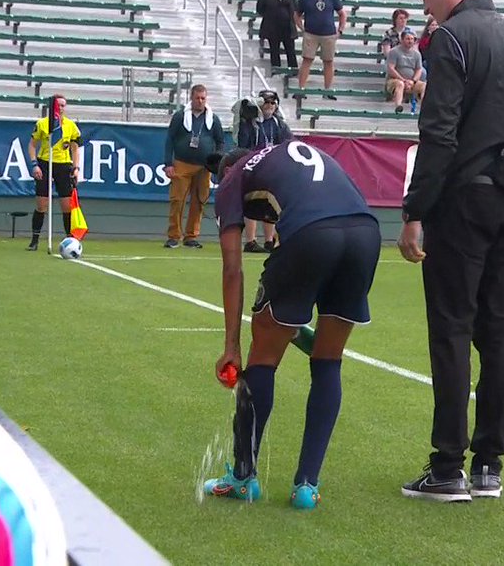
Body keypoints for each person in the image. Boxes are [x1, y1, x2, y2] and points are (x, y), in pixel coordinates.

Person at [397, 0, 504, 502]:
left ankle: (447, 467)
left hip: (464, 203)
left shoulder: (452, 38)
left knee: (453, 330)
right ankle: (489, 466)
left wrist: (415, 212)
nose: (425, 7)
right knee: (498, 329)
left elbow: (438, 134)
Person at [202, 141, 381, 511]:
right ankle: (306, 487)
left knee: (262, 359)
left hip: (313, 233)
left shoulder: (233, 178)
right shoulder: (284, 157)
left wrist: (232, 346)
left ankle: (242, 476)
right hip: (366, 233)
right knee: (328, 362)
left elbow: (233, 270)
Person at [163, 85, 225, 249]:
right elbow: (169, 139)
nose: (200, 101)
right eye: (197, 98)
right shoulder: (180, 116)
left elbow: (220, 141)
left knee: (199, 200)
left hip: (203, 167)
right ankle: (174, 235)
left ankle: (191, 236)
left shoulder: (213, 119)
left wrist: (217, 157)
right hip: (182, 163)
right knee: (177, 200)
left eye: (203, 98)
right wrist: (168, 163)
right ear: (191, 98)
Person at [235, 90, 292, 253]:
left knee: (271, 204)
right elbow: (243, 144)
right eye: (266, 102)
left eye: (273, 103)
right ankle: (251, 241)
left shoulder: (279, 124)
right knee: (252, 203)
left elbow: (288, 144)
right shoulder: (251, 123)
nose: (269, 106)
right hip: (255, 166)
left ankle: (269, 241)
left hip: (273, 168)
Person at [26, 94, 81, 252]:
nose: (61, 108)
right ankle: (35, 240)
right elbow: (32, 145)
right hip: (45, 162)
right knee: (42, 204)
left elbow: (75, 148)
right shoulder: (43, 124)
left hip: (63, 165)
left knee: (66, 205)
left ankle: (70, 239)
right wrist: (34, 165)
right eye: (59, 105)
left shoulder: (70, 126)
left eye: (64, 105)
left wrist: (76, 168)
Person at [295, 0, 347, 96]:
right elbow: (297, 14)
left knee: (328, 62)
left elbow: (342, 14)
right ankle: (301, 89)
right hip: (311, 33)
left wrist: (340, 30)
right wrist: (302, 27)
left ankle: (327, 90)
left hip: (328, 34)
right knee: (307, 60)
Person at [256, 0, 298, 69]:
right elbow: (260, 8)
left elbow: (295, 8)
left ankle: (293, 69)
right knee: (274, 50)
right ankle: (276, 69)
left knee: (290, 50)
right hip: (272, 27)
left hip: (287, 27)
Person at [385, 29, 425, 112]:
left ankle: (424, 108)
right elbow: (391, 68)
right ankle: (398, 106)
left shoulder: (417, 54)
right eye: (407, 39)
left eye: (412, 39)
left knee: (424, 86)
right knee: (400, 84)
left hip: (411, 82)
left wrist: (413, 81)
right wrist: (402, 80)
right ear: (402, 40)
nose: (410, 41)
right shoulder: (394, 52)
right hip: (394, 80)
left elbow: (419, 69)